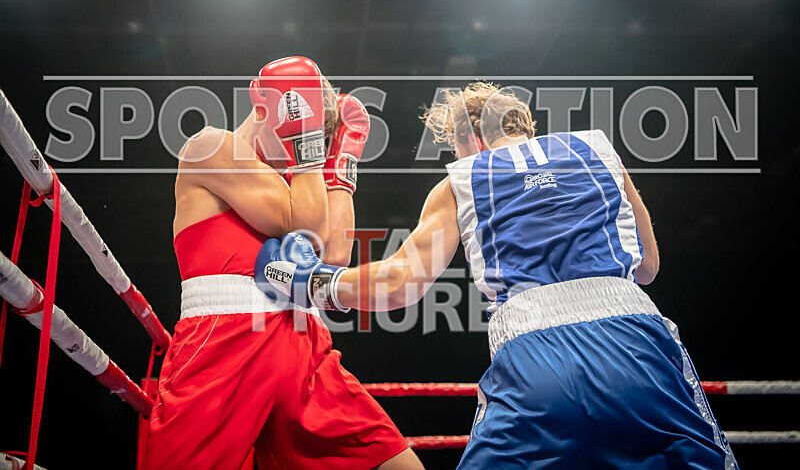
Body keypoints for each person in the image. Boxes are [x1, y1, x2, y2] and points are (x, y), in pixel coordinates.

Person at [255, 81, 738, 469]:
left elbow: (400, 283)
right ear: (524, 125)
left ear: (471, 140)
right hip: (637, 344)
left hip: (536, 359)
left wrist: (310, 281)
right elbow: (649, 267)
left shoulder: (463, 179)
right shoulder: (598, 152)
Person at [143, 56, 422, 470]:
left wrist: (339, 166)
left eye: (308, 142)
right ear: (260, 108)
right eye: (293, 136)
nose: (297, 152)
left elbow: (335, 256)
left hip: (302, 344)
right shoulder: (212, 147)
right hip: (223, 344)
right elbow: (304, 228)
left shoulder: (296, 183)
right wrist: (308, 154)